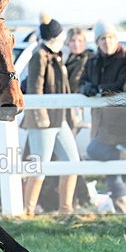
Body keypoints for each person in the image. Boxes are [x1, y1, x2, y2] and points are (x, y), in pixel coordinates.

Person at [19, 13, 80, 217]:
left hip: (59, 118)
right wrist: (41, 117)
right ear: (55, 36)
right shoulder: (39, 55)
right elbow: (35, 89)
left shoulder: (57, 55)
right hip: (43, 121)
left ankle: (66, 209)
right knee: (40, 168)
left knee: (73, 162)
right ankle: (27, 211)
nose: (64, 37)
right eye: (61, 34)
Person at [80, 21, 126, 214]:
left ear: (116, 38)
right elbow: (83, 80)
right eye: (102, 38)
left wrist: (101, 90)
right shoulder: (93, 61)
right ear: (97, 41)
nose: (107, 42)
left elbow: (124, 83)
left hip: (122, 119)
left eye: (110, 37)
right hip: (101, 119)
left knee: (94, 150)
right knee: (112, 168)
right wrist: (86, 87)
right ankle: (123, 210)